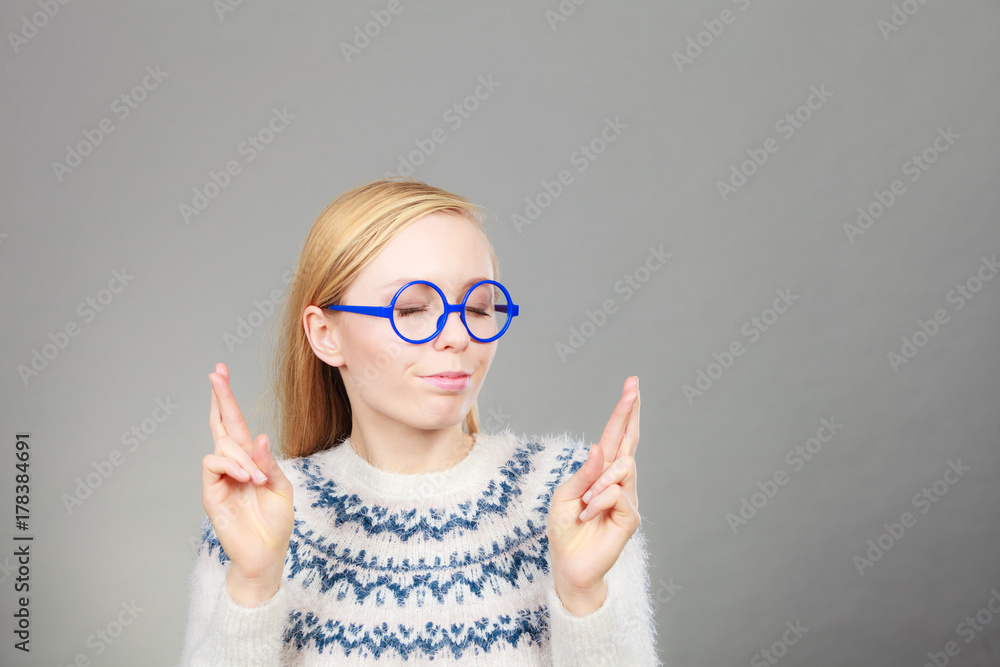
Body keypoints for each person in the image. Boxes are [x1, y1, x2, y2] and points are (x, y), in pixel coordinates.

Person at [178, 177, 660, 665]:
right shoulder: (257, 513)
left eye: (478, 306)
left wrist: (583, 598)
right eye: (410, 308)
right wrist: (254, 585)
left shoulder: (572, 495)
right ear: (326, 334)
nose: (457, 334)